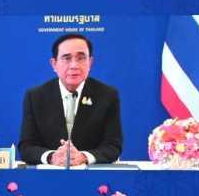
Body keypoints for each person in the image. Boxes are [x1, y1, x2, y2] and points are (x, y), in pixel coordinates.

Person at [17, 33, 123, 166]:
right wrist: (52, 157)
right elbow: (26, 146)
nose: (74, 65)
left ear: (90, 62)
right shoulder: (35, 96)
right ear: (54, 64)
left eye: (81, 58)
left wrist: (84, 157)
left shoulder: (108, 95)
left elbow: (113, 146)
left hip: (92, 177)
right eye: (66, 58)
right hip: (48, 177)